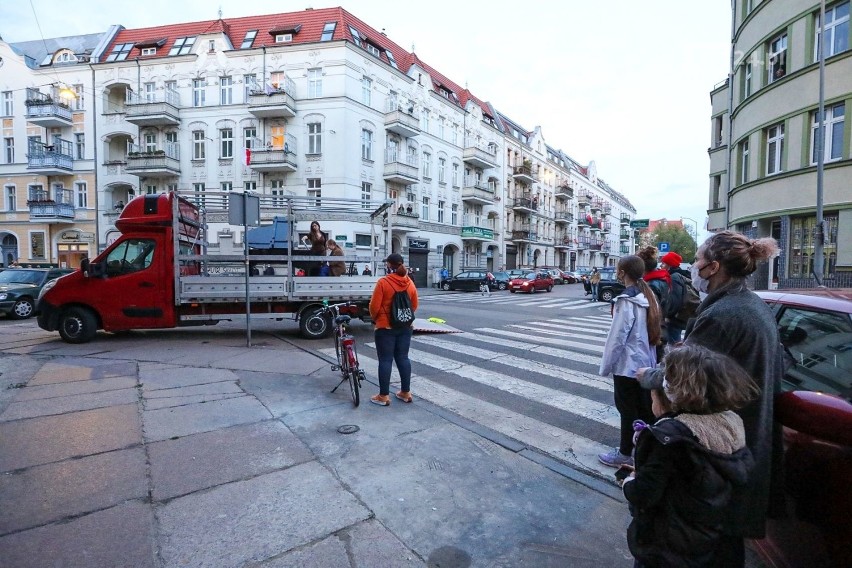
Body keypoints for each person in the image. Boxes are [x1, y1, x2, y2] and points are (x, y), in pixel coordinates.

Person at [637, 230, 785, 567]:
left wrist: (647, 376)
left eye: (699, 260)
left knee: (712, 544)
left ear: (713, 267)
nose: (694, 266)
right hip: (740, 441)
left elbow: (684, 375)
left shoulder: (724, 315)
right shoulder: (747, 304)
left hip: (719, 449)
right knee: (724, 539)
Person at [623, 344, 758, 568]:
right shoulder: (732, 424)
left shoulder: (669, 438)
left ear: (671, 394)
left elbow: (644, 493)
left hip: (667, 543)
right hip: (708, 536)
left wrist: (629, 481)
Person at [598, 255, 662, 468]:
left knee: (628, 411)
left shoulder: (627, 300)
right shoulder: (647, 294)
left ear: (623, 272)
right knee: (643, 408)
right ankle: (645, 451)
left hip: (627, 366)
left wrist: (606, 366)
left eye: (618, 269)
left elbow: (617, 338)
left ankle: (626, 453)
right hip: (645, 363)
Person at [368, 253, 419, 406]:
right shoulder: (409, 282)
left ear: (389, 265)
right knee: (403, 358)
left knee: (385, 360)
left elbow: (374, 306)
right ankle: (405, 392)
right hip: (405, 326)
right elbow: (414, 305)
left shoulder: (383, 282)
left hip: (386, 327)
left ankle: (383, 396)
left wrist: (377, 318)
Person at [638, 246, 671, 357]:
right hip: (663, 328)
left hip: (655, 332)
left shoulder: (651, 285)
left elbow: (651, 313)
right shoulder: (663, 278)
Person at [659, 251, 690, 344]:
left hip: (674, 319)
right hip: (677, 317)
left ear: (670, 265)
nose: (661, 265)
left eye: (664, 263)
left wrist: (668, 315)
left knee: (673, 344)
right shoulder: (676, 275)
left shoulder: (674, 277)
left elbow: (675, 300)